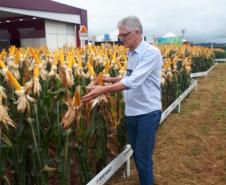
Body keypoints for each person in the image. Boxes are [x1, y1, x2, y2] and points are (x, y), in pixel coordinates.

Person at [82, 16, 162, 185]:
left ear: (137, 32)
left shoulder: (151, 53)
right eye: (120, 35)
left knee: (142, 156)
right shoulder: (131, 52)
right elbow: (129, 76)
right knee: (138, 153)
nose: (121, 39)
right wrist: (110, 79)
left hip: (148, 112)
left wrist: (101, 91)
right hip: (132, 112)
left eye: (124, 35)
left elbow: (133, 82)